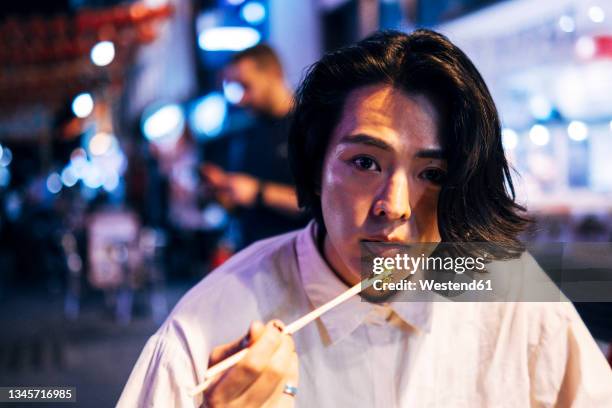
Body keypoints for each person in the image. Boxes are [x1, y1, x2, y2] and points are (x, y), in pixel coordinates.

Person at [118, 30, 612, 407]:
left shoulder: (512, 296)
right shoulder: (209, 327)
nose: (394, 205)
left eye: (433, 172)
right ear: (314, 170)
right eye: (365, 163)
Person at [201, 44, 306, 247]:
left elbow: (321, 203)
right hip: (254, 260)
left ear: (274, 74)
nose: (241, 99)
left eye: (246, 86)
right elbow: (241, 203)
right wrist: (223, 191)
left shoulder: (310, 125)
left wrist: (259, 192)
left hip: (299, 260)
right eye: (236, 89)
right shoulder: (244, 134)